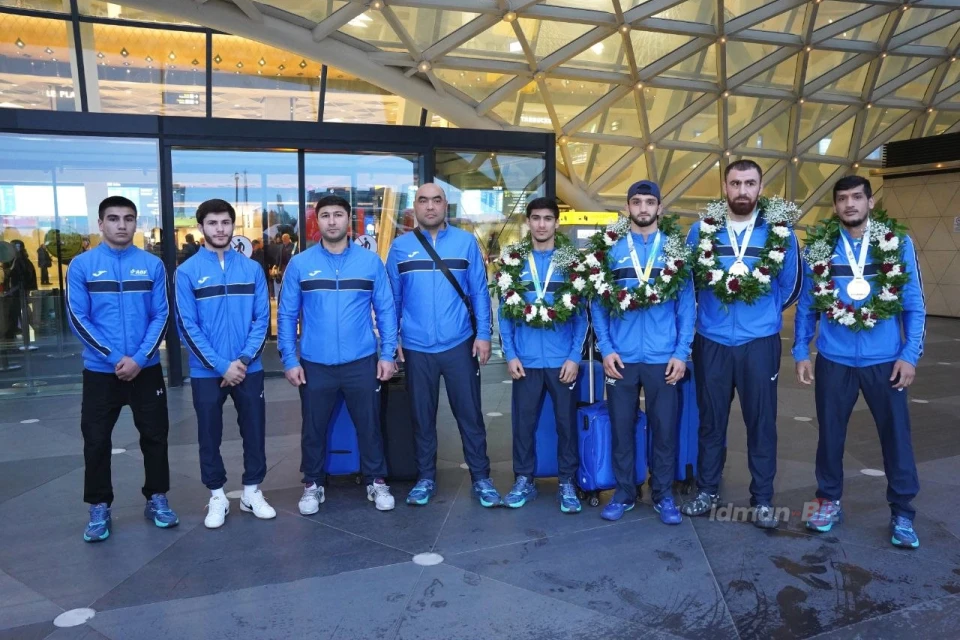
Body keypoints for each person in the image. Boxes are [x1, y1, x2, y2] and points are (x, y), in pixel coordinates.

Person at [794, 176, 925, 548]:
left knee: (896, 437)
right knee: (830, 436)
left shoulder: (897, 244)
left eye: (856, 197)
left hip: (885, 361)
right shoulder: (821, 247)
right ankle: (828, 501)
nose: (849, 204)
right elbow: (807, 304)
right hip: (834, 359)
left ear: (870, 201)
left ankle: (902, 512)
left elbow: (914, 305)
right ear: (834, 206)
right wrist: (802, 350)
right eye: (842, 199)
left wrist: (909, 355)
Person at [681, 159, 801, 529]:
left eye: (750, 183)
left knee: (761, 423)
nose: (743, 190)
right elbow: (689, 284)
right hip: (711, 341)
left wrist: (759, 314)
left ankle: (762, 499)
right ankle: (707, 490)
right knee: (710, 421)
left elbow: (791, 285)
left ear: (761, 188)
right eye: (736, 183)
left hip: (759, 344)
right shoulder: (700, 232)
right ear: (725, 187)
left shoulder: (780, 232)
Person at [65, 195, 177, 542]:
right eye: (113, 219)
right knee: (96, 440)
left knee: (155, 436)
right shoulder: (82, 266)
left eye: (128, 218)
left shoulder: (152, 265)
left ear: (136, 223)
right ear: (100, 224)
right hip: (101, 373)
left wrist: (140, 358)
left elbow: (162, 315)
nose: (121, 225)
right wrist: (115, 358)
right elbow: (78, 319)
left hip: (146, 370)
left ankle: (156, 497)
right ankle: (99, 506)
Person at [278, 195, 398, 513]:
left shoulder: (370, 262)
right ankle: (313, 484)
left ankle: (376, 481)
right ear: (317, 222)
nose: (332, 221)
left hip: (361, 360)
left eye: (339, 215)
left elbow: (386, 310)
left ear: (349, 221)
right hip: (316, 363)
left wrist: (387, 354)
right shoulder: (300, 264)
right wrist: (290, 359)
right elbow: (287, 316)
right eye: (326, 216)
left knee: (370, 424)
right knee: (313, 427)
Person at [386, 183, 499, 507]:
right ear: (415, 208)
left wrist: (483, 336)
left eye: (437, 200)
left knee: (470, 415)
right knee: (422, 417)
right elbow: (392, 299)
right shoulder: (399, 247)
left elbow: (479, 292)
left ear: (445, 205)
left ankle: (481, 478)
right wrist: (393, 341)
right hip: (417, 347)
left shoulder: (465, 243)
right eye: (423, 201)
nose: (430, 206)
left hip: (459, 344)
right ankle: (425, 478)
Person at [592, 181, 696, 523]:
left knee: (664, 428)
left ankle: (663, 494)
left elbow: (686, 307)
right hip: (620, 357)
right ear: (627, 209)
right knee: (621, 427)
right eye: (636, 202)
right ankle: (624, 492)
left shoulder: (674, 251)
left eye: (649, 202)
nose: (643, 208)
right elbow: (598, 305)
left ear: (659, 209)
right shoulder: (611, 251)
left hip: (663, 357)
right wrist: (605, 349)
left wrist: (681, 353)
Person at [175, 199, 274, 529]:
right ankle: (217, 495)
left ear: (234, 226)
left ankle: (251, 492)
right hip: (208, 372)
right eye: (213, 223)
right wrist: (221, 366)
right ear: (201, 227)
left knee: (255, 432)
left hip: (249, 369)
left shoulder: (252, 269)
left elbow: (262, 319)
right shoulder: (187, 272)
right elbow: (187, 326)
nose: (220, 229)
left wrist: (242, 361)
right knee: (208, 435)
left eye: (225, 223)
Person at [498, 197, 588, 513]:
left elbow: (581, 316)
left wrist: (574, 357)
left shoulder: (570, 262)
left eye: (548, 219)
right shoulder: (514, 262)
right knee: (524, 425)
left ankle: (567, 483)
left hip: (562, 361)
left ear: (556, 223)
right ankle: (524, 480)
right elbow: (505, 313)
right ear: (528, 222)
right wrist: (510, 354)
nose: (541, 224)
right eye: (536, 218)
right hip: (526, 361)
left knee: (566, 424)